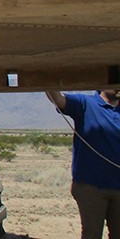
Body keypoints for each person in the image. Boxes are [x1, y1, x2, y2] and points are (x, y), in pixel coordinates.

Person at [46, 90, 120, 238]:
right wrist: (46, 80)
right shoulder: (85, 103)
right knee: (91, 234)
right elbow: (59, 99)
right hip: (90, 187)